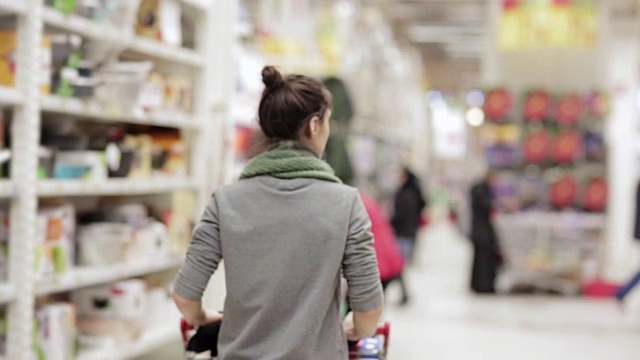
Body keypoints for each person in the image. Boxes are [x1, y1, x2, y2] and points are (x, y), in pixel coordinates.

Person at [172, 66, 384, 359]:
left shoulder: (226, 201)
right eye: (328, 122)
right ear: (313, 126)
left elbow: (184, 295)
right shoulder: (346, 204)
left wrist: (200, 317)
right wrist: (357, 328)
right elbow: (369, 307)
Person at [359, 191, 408, 305]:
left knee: (370, 305)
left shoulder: (356, 204)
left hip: (377, 262)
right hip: (387, 257)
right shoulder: (367, 201)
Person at [469, 171, 502, 294]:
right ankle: (482, 285)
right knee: (482, 262)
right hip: (482, 233)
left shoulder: (482, 190)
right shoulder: (481, 191)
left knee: (481, 261)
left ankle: (482, 284)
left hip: (481, 232)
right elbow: (486, 207)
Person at [391, 167, 427, 266]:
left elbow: (401, 214)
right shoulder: (415, 194)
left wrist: (390, 222)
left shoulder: (404, 195)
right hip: (411, 230)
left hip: (403, 231)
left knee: (400, 259)